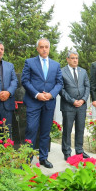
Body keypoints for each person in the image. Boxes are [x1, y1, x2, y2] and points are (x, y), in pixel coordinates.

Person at [21, 38, 63, 168]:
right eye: (41, 47)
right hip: (34, 102)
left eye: (46, 47)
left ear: (49, 48)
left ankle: (44, 158)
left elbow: (59, 83)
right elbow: (25, 81)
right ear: (37, 49)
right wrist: (37, 94)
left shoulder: (55, 65)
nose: (44, 49)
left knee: (45, 131)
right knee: (31, 129)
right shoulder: (29, 62)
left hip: (49, 103)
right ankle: (26, 159)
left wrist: (51, 94)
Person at [60, 50, 90, 161]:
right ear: (67, 59)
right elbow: (61, 89)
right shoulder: (62, 71)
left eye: (76, 58)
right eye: (72, 58)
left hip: (81, 106)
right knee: (67, 130)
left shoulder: (83, 71)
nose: (75, 60)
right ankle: (67, 152)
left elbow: (87, 86)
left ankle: (80, 151)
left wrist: (83, 100)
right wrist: (72, 101)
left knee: (80, 129)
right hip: (68, 106)